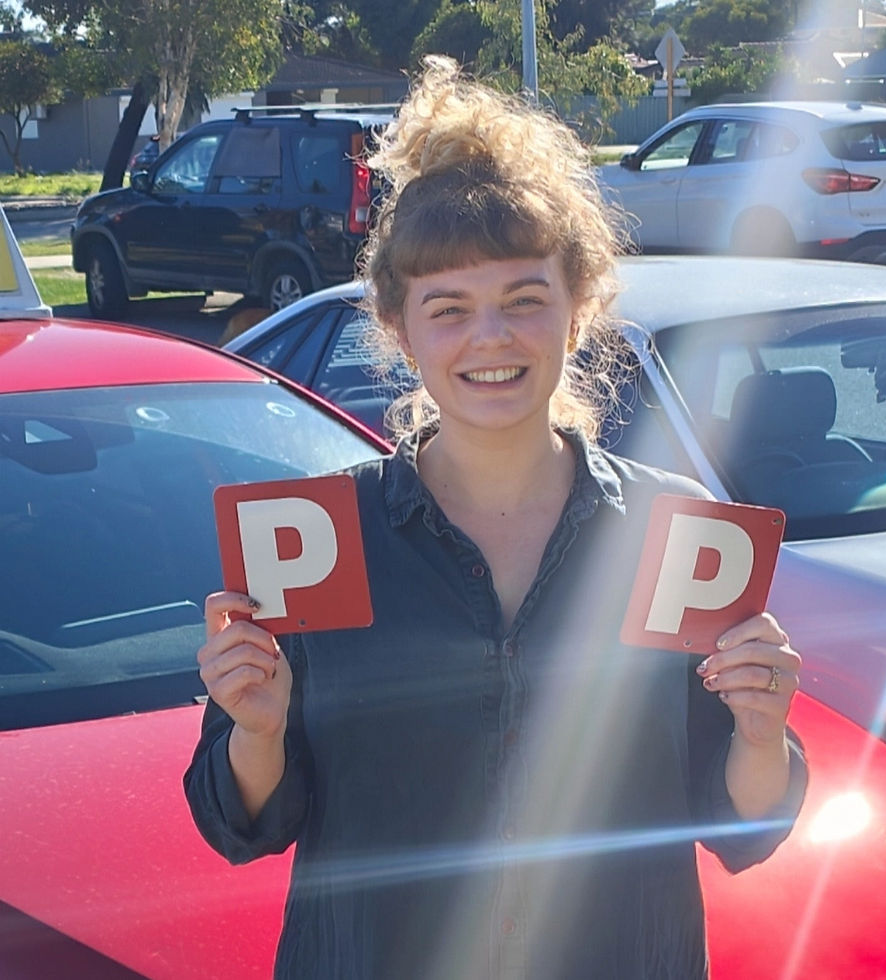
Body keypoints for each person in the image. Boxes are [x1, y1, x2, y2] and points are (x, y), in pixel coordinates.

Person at [184, 56, 807, 980]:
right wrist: (258, 729)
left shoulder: (675, 532)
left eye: (525, 299)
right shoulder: (317, 538)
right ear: (398, 330)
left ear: (579, 307)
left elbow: (743, 829)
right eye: (450, 309)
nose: (491, 338)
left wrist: (763, 732)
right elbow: (246, 826)